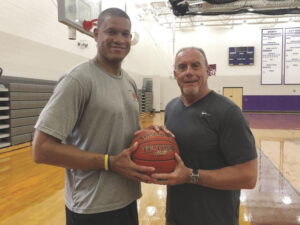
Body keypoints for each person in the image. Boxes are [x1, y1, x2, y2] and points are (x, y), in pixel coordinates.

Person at [32, 8, 156, 225]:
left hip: (127, 197)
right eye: (111, 32)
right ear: (96, 34)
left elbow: (126, 135)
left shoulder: (129, 82)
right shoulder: (78, 80)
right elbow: (42, 150)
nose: (119, 39)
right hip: (91, 206)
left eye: (125, 34)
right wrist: (109, 162)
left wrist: (151, 135)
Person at [152, 47, 258, 225]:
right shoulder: (171, 108)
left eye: (195, 66)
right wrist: (156, 140)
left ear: (207, 71)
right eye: (182, 67)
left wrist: (191, 176)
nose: (188, 72)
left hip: (215, 218)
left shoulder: (228, 112)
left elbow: (248, 177)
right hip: (176, 216)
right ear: (175, 74)